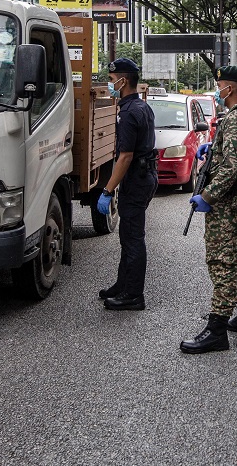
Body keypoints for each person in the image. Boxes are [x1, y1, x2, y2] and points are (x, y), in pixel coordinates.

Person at [181, 66, 237, 355]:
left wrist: (208, 196)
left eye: (219, 86)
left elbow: (231, 167)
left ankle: (216, 329)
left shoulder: (234, 120)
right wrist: (212, 151)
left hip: (228, 203)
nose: (217, 91)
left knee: (221, 262)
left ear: (229, 88)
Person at [96, 58, 158, 311]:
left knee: (132, 238)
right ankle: (122, 285)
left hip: (137, 178)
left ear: (123, 81)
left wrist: (107, 190)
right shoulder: (140, 106)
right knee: (127, 236)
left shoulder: (130, 112)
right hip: (145, 176)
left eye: (112, 80)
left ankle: (133, 295)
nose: (110, 85)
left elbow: (125, 156)